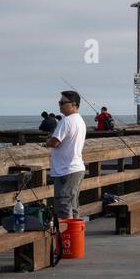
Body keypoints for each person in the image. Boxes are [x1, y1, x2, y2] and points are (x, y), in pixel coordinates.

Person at [47, 90, 87, 218]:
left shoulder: (66, 121)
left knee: (63, 204)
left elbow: (55, 142)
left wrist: (47, 141)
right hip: (75, 168)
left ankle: (67, 236)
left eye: (62, 102)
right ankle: (75, 237)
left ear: (73, 104)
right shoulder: (80, 120)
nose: (59, 105)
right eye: (59, 102)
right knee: (72, 205)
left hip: (66, 170)